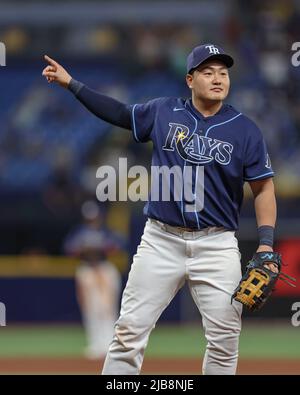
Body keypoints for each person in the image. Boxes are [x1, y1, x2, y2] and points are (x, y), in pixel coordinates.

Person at [43, 43, 278, 375]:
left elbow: (263, 188)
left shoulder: (246, 130)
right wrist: (73, 85)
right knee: (128, 334)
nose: (217, 79)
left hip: (217, 244)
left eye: (223, 73)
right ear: (189, 79)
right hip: (160, 241)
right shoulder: (163, 111)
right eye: (208, 72)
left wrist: (266, 242)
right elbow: (120, 113)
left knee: (225, 340)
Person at [64, 200, 121, 359]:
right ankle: (96, 344)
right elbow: (69, 249)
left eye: (95, 217)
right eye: (90, 218)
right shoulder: (79, 232)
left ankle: (111, 344)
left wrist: (98, 247)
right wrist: (85, 248)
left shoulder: (106, 231)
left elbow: (117, 246)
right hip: (87, 269)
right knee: (91, 308)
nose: (93, 220)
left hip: (104, 269)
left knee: (108, 307)